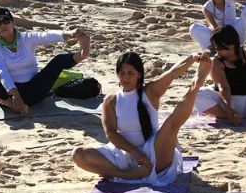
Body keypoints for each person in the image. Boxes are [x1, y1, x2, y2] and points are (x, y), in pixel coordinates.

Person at [72, 51, 212, 185]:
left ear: (139, 74)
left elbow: (172, 73)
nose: (126, 78)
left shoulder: (150, 91)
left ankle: (197, 84)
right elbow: (111, 134)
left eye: (130, 73)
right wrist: (135, 152)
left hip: (153, 151)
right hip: (124, 153)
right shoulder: (111, 100)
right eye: (122, 73)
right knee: (78, 154)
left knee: (171, 124)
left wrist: (193, 58)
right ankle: (125, 175)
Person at [0, 7, 91, 114]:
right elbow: (1, 72)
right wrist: (15, 95)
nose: (3, 25)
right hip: (9, 95)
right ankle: (14, 106)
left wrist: (70, 33)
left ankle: (82, 54)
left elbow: (45, 36)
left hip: (34, 90)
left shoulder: (26, 38)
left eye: (6, 21)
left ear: (13, 22)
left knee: (59, 59)